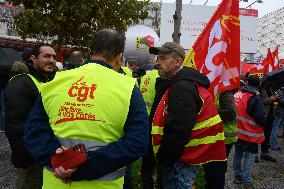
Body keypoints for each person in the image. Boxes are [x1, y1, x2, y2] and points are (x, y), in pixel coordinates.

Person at [23, 29, 149, 189]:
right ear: (119, 56)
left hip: (56, 182)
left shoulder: (56, 81)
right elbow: (137, 142)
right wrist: (84, 167)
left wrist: (58, 160)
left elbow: (33, 130)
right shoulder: (128, 87)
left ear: (91, 53)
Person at [149, 42, 226, 189]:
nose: (157, 62)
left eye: (163, 58)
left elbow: (178, 131)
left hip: (179, 159)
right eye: (158, 58)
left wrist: (163, 160)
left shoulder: (182, 88)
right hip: (182, 156)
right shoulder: (180, 83)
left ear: (177, 62)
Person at [4, 45, 57, 189]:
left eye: (53, 57)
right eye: (46, 56)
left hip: (51, 155)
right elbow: (16, 126)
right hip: (33, 160)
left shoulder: (50, 80)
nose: (51, 60)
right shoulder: (21, 82)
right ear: (33, 58)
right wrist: (25, 160)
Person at [233, 75, 266, 189]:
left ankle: (237, 177)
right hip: (249, 134)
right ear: (258, 85)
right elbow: (260, 118)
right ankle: (247, 181)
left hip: (237, 132)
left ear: (247, 83)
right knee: (249, 156)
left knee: (237, 155)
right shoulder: (255, 98)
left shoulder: (238, 94)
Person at [257, 78, 279, 162]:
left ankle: (264, 152)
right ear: (267, 81)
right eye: (272, 80)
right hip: (263, 114)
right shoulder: (261, 89)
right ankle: (255, 153)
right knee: (258, 133)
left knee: (267, 134)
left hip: (270, 114)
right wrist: (273, 98)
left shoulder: (271, 89)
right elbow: (262, 101)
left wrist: (277, 98)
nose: (274, 82)